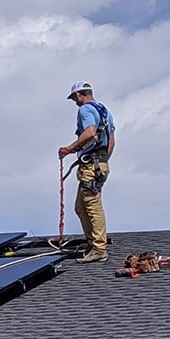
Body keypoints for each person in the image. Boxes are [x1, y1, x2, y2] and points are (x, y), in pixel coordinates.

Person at [58, 81, 116, 263]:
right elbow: (112, 140)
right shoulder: (104, 110)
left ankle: (99, 248)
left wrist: (70, 148)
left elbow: (90, 132)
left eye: (74, 98)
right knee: (80, 207)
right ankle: (93, 244)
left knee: (92, 206)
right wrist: (103, 160)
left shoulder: (84, 110)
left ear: (78, 95)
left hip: (92, 166)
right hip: (100, 164)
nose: (75, 101)